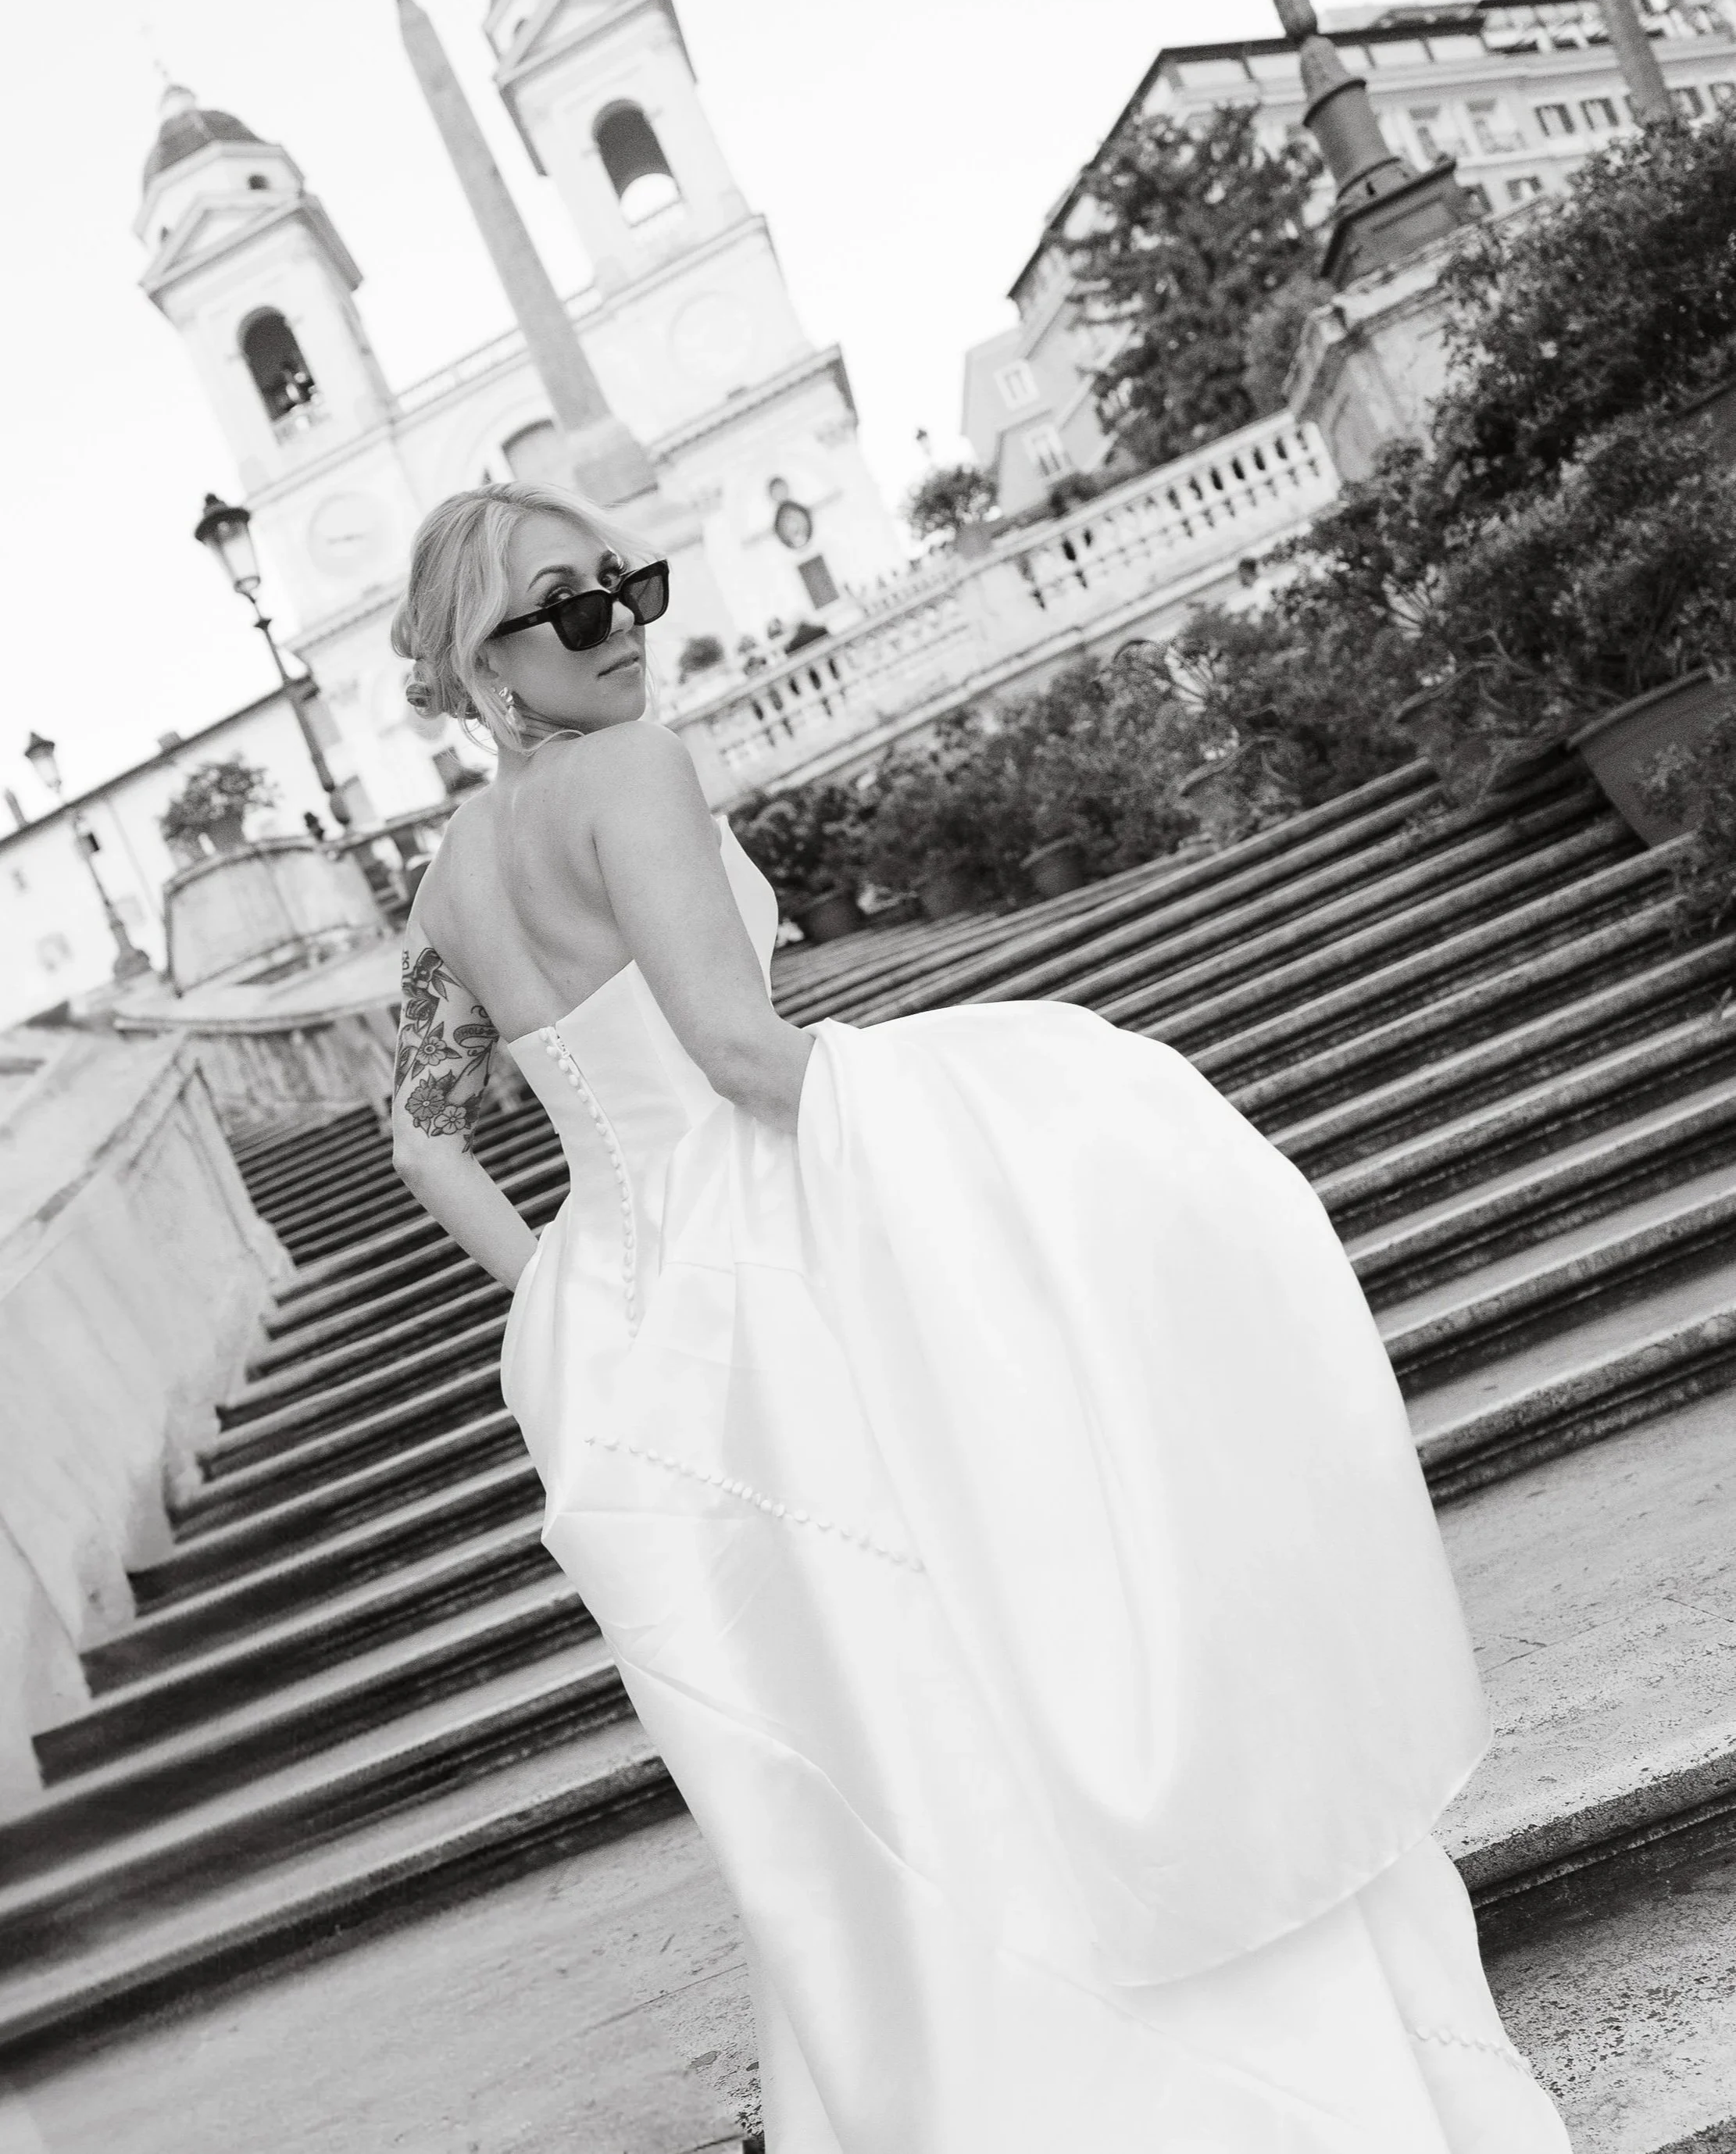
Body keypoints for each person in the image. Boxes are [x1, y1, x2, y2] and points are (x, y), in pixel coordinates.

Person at [388, 479, 1573, 2153]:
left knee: (861, 1736)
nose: (626, 629)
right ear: (483, 662)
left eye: (632, 586)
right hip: (782, 1258)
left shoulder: (446, 876)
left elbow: (422, 1132)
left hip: (640, 1342)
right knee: (996, 1655)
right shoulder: (629, 776)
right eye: (573, 610)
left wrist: (571, 1292)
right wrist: (1011, 1122)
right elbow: (736, 1054)